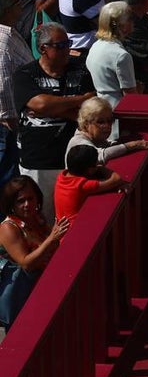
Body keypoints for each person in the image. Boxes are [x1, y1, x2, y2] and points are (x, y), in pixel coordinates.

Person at [12, 21, 96, 220]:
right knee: (43, 217)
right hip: (38, 162)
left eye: (68, 43)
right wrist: (79, 100)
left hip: (74, 161)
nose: (67, 49)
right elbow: (39, 104)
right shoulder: (25, 75)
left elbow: (89, 112)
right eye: (60, 46)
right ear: (43, 49)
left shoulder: (80, 71)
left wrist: (53, 109)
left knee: (76, 218)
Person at [0, 177, 70, 330]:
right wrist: (51, 239)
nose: (27, 205)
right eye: (20, 201)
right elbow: (26, 263)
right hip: (22, 296)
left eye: (30, 198)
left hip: (45, 291)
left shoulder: (37, 218)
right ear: (11, 204)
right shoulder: (8, 227)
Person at [0, 0, 34, 185]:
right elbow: (3, 90)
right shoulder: (3, 44)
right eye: (16, 4)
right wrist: (16, 130)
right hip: (9, 132)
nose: (21, 8)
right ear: (5, 10)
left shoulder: (9, 32)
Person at [85, 1, 140, 112]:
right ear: (121, 25)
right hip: (119, 114)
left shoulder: (94, 47)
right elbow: (130, 96)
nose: (133, 22)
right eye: (130, 19)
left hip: (100, 110)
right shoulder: (121, 56)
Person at [66, 96, 148, 165]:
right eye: (100, 122)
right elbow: (98, 156)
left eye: (110, 121)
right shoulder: (77, 141)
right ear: (86, 123)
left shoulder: (98, 139)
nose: (107, 125)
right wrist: (133, 145)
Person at [53, 144, 124, 221]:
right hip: (76, 228)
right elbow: (116, 179)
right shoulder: (82, 185)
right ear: (90, 169)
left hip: (63, 228)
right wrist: (101, 168)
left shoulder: (62, 176)